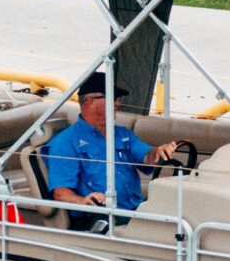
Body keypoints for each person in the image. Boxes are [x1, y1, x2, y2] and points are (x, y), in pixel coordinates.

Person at [43, 75, 178, 232]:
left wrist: (158, 152)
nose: (118, 103)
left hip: (134, 210)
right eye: (112, 98)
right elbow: (61, 193)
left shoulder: (122, 134)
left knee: (178, 213)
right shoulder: (65, 143)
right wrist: (83, 200)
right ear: (89, 101)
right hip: (100, 218)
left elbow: (147, 157)